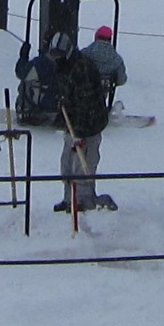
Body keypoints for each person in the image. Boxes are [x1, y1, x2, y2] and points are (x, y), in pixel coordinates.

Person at [55, 37, 115, 213]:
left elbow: (86, 103)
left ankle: (83, 200)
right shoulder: (63, 66)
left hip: (89, 126)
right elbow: (67, 91)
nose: (56, 59)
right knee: (67, 164)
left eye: (59, 55)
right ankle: (69, 199)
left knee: (84, 165)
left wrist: (80, 133)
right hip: (72, 124)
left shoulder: (83, 69)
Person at [14, 30, 70, 127]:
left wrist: (23, 57)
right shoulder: (69, 65)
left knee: (26, 82)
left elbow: (21, 72)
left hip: (35, 110)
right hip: (57, 111)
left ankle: (25, 109)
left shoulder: (41, 64)